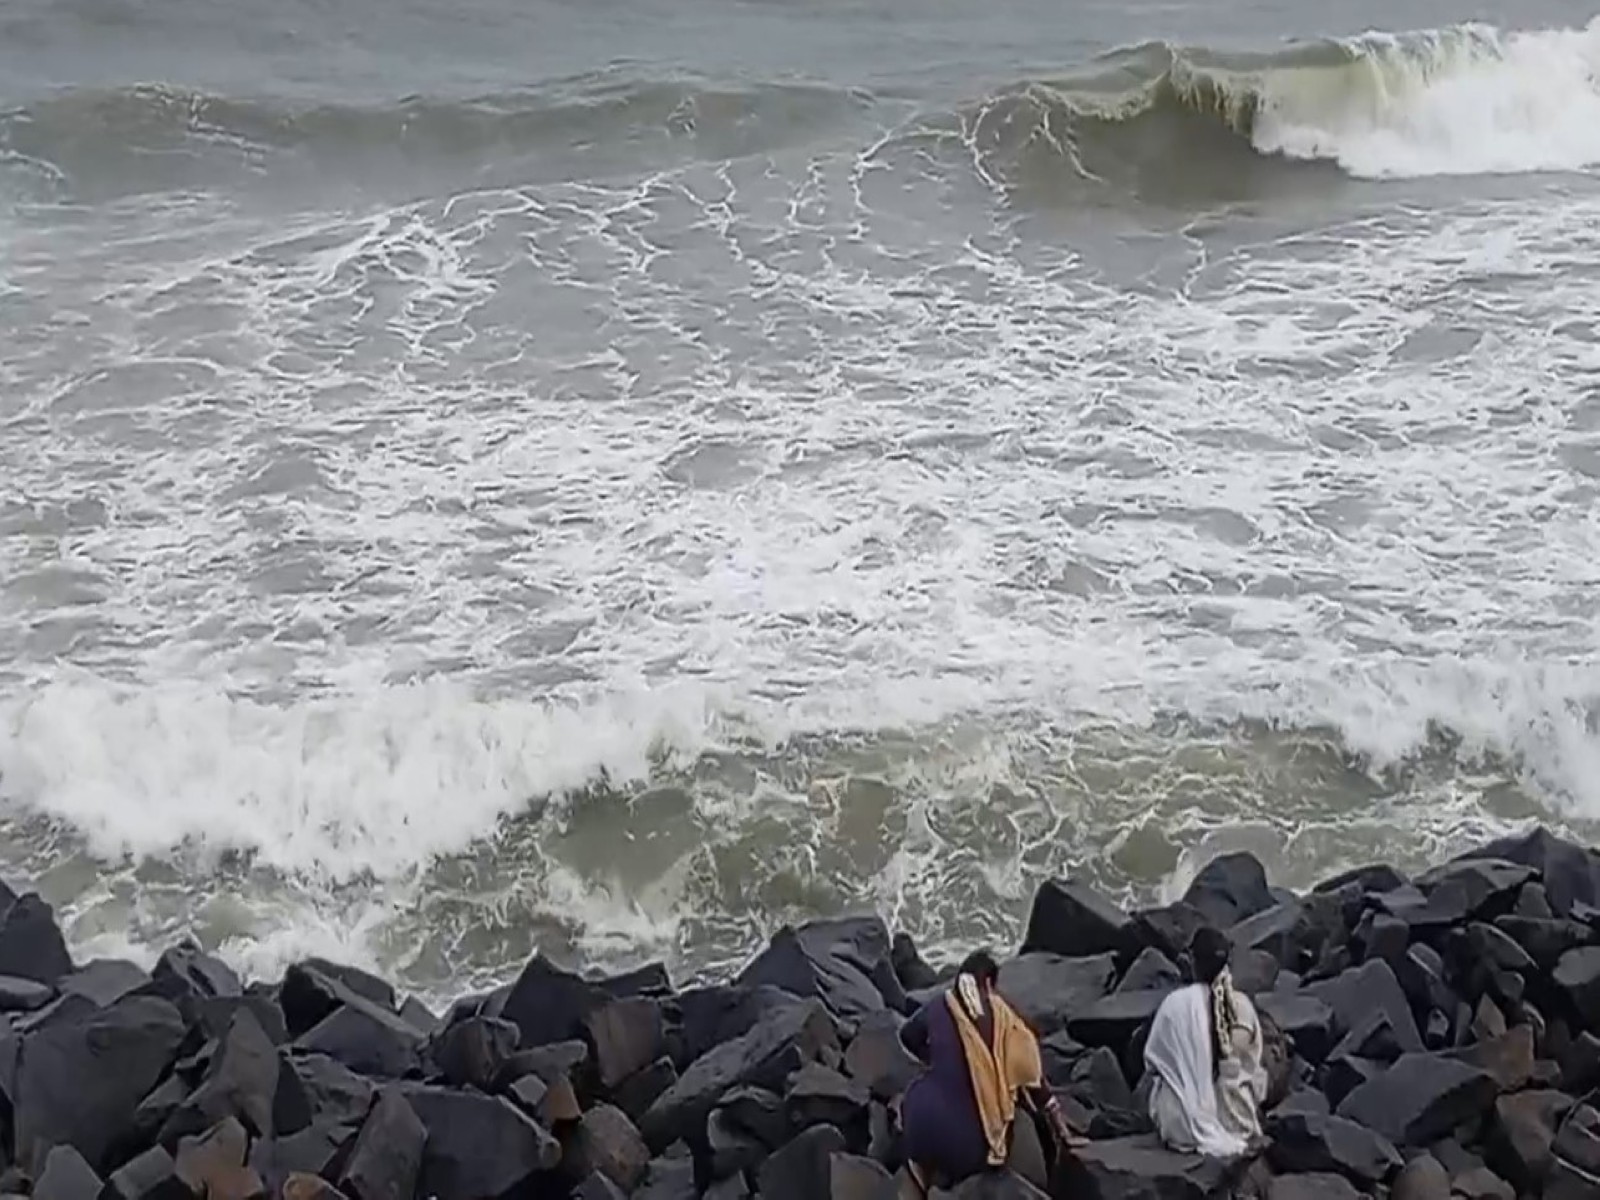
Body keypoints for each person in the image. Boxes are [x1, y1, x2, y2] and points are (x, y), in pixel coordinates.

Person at [897, 950, 1075, 1195]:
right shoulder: (1005, 1018)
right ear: (990, 982)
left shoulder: (940, 1003)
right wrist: (1061, 1128)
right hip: (972, 1150)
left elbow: (907, 1036)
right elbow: (1034, 1079)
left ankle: (923, 1180)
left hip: (923, 1127)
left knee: (916, 1092)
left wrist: (934, 1060)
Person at [1143, 926, 1267, 1157]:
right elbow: (1252, 1063)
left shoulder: (1174, 1005)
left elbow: (1151, 1063)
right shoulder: (1241, 1007)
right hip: (1237, 1120)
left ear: (1192, 961)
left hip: (1180, 1126)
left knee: (1166, 1080)